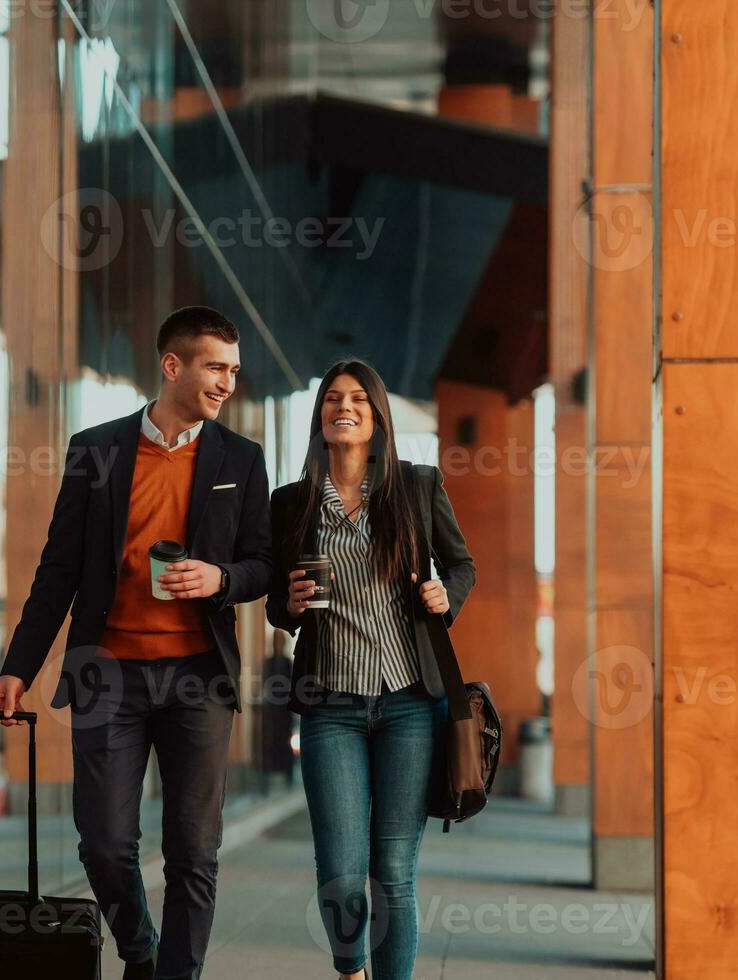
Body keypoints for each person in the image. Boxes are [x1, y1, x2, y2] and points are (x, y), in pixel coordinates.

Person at [0, 306, 275, 980]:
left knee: (194, 850)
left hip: (199, 679)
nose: (227, 382)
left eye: (233, 370)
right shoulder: (98, 449)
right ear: (173, 366)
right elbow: (58, 569)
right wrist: (17, 670)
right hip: (107, 677)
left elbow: (263, 563)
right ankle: (140, 948)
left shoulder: (241, 459)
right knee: (106, 844)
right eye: (214, 367)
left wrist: (221, 577)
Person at [267, 360, 475, 980]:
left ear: (378, 416)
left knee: (394, 871)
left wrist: (446, 595)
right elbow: (278, 603)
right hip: (331, 706)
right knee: (339, 864)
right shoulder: (291, 504)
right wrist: (291, 605)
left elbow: (461, 567)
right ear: (321, 416)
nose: (344, 406)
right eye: (333, 398)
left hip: (412, 701)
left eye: (358, 398)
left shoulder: (416, 487)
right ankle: (350, 967)